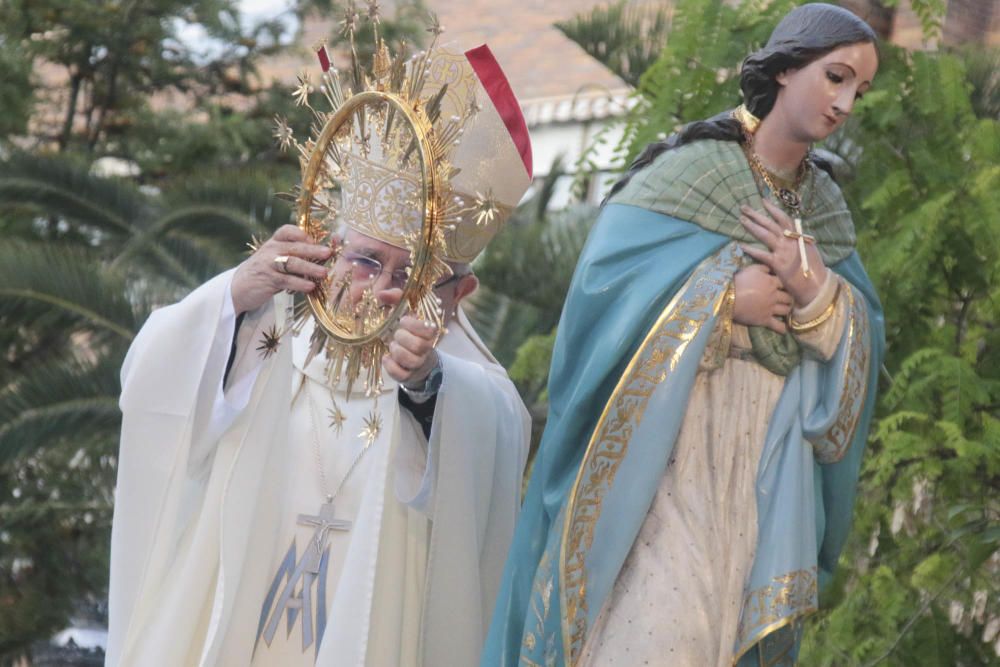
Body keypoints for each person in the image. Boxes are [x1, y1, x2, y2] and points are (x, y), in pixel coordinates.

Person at [481, 5, 885, 666]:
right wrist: (725, 300)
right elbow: (599, 296)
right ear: (785, 68)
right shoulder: (686, 170)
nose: (843, 102)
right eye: (834, 76)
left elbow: (859, 341)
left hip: (763, 468)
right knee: (656, 636)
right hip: (665, 465)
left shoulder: (826, 209)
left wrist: (818, 296)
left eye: (858, 90)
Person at [107, 43, 533, 667]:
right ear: (330, 253)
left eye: (414, 275)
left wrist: (425, 384)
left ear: (459, 292)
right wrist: (232, 294)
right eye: (366, 260)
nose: (382, 290)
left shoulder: (466, 389)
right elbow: (151, 386)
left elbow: (491, 454)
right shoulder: (264, 338)